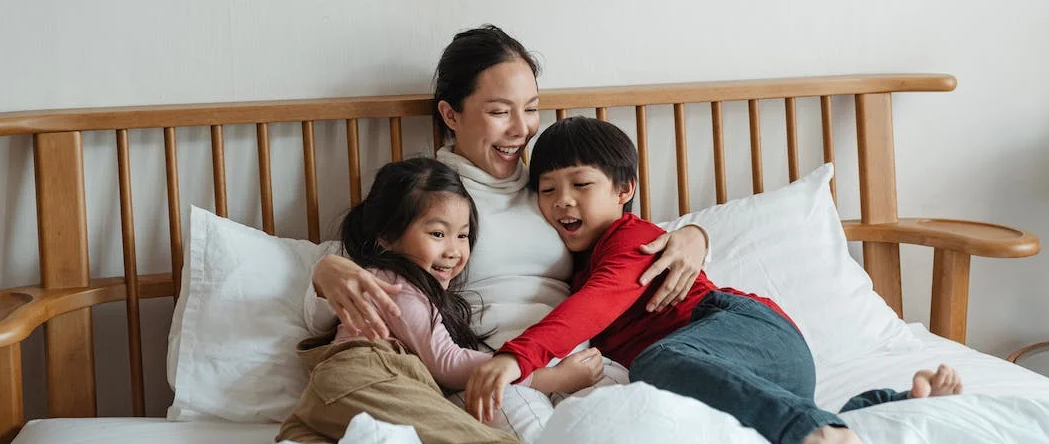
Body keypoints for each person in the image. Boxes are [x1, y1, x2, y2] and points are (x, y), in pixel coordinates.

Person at [463, 117, 964, 444]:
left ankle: (814, 432)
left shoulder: (633, 238)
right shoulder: (574, 264)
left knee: (656, 362)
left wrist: (516, 356)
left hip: (739, 329)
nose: (562, 200)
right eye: (547, 190)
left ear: (625, 190)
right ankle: (885, 407)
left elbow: (602, 300)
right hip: (742, 372)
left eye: (581, 184)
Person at [310, 25, 712, 350]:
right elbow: (369, 285)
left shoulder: (553, 190)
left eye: (532, 108)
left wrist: (694, 237)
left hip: (576, 358)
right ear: (451, 114)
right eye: (501, 112)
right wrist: (324, 273)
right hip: (486, 363)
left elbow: (621, 240)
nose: (522, 130)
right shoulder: (424, 193)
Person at [276, 158, 605, 444]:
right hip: (363, 379)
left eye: (462, 235)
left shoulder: (414, 289)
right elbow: (447, 363)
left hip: (343, 396)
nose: (453, 250)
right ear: (387, 236)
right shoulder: (394, 285)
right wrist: (554, 379)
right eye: (437, 234)